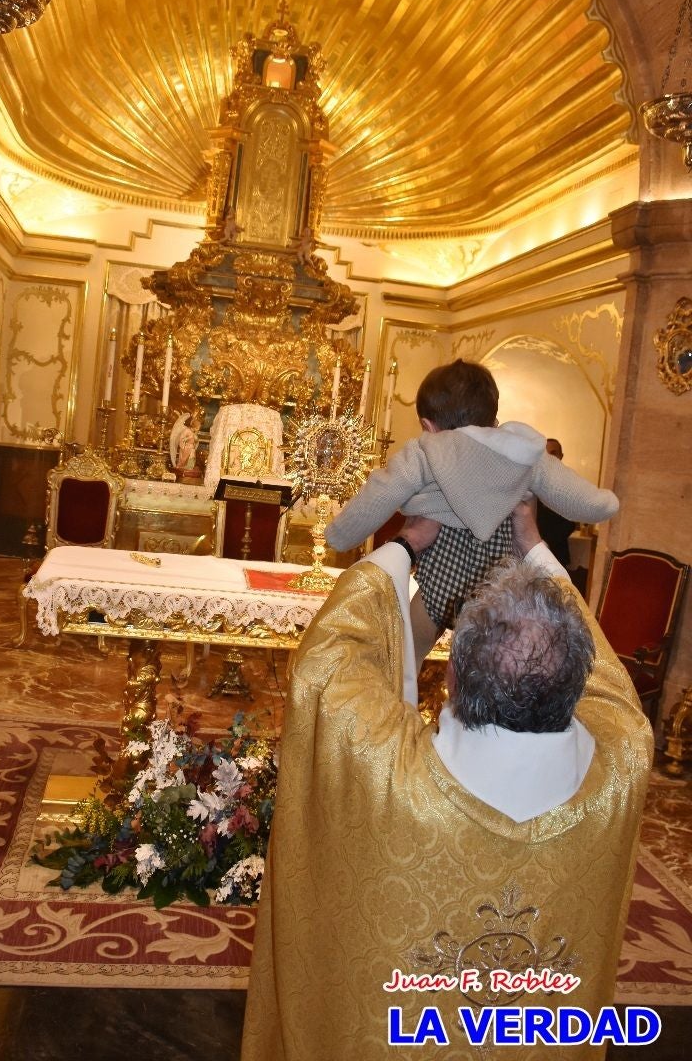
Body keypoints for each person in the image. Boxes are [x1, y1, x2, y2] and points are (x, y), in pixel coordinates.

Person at [241, 506, 653, 1061]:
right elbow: (613, 687)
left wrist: (408, 543)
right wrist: (533, 545)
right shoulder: (622, 764)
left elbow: (328, 663)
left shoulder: (382, 767)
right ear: (576, 683)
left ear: (453, 674)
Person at [325, 359, 618, 657]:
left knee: (402, 658)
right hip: (501, 580)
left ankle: (403, 699)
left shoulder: (426, 449)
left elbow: (379, 494)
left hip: (439, 579)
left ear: (428, 425)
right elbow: (576, 497)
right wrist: (608, 503)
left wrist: (338, 536)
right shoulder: (522, 453)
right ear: (493, 418)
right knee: (490, 662)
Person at [536, 437, 576, 567]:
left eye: (553, 453)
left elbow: (570, 523)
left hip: (557, 554)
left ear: (561, 456)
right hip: (532, 553)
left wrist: (546, 541)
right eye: (545, 454)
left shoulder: (569, 484)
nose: (549, 458)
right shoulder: (532, 481)